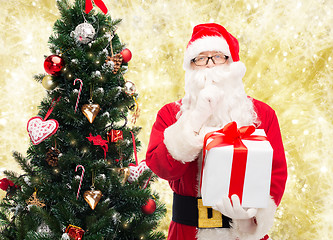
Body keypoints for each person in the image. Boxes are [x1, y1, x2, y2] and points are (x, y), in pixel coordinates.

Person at [145, 23, 287, 240]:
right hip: (187, 232)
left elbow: (276, 175)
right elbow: (162, 168)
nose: (210, 65)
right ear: (191, 67)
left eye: (218, 56)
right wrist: (195, 118)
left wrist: (251, 220)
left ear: (232, 64)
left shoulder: (262, 114)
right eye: (200, 58)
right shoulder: (171, 114)